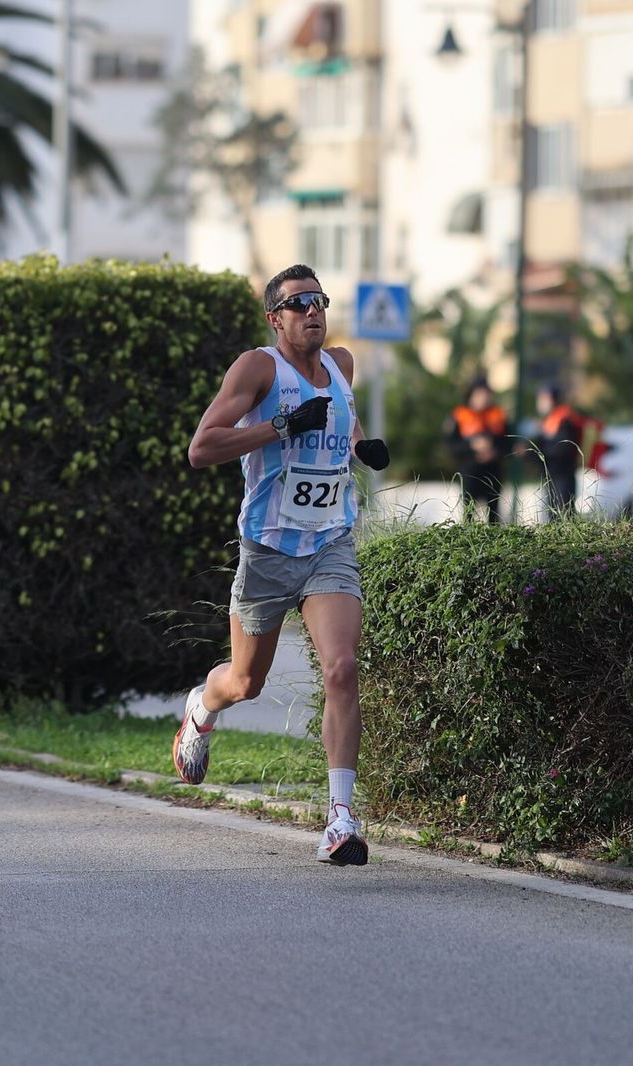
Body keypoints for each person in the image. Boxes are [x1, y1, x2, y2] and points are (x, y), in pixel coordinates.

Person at [174, 263, 390, 866]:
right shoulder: (257, 368)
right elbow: (202, 448)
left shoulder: (343, 365)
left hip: (330, 543)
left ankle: (341, 819)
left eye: (319, 300)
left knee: (342, 668)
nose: (312, 311)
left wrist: (361, 446)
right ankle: (202, 706)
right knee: (246, 682)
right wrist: (279, 426)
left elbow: (342, 426)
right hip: (268, 549)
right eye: (298, 304)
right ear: (276, 318)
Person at [444, 377, 509, 524]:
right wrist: (471, 446)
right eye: (479, 394)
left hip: (493, 471)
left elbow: (508, 443)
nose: (483, 398)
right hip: (470, 471)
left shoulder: (498, 415)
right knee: (468, 513)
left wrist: (494, 452)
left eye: (486, 394)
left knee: (493, 514)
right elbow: (451, 446)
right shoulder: (460, 415)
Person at [532, 383, 588, 517]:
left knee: (563, 513)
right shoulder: (550, 420)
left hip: (562, 474)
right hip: (552, 474)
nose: (540, 403)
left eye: (544, 399)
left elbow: (564, 447)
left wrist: (540, 452)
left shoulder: (564, 420)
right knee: (553, 512)